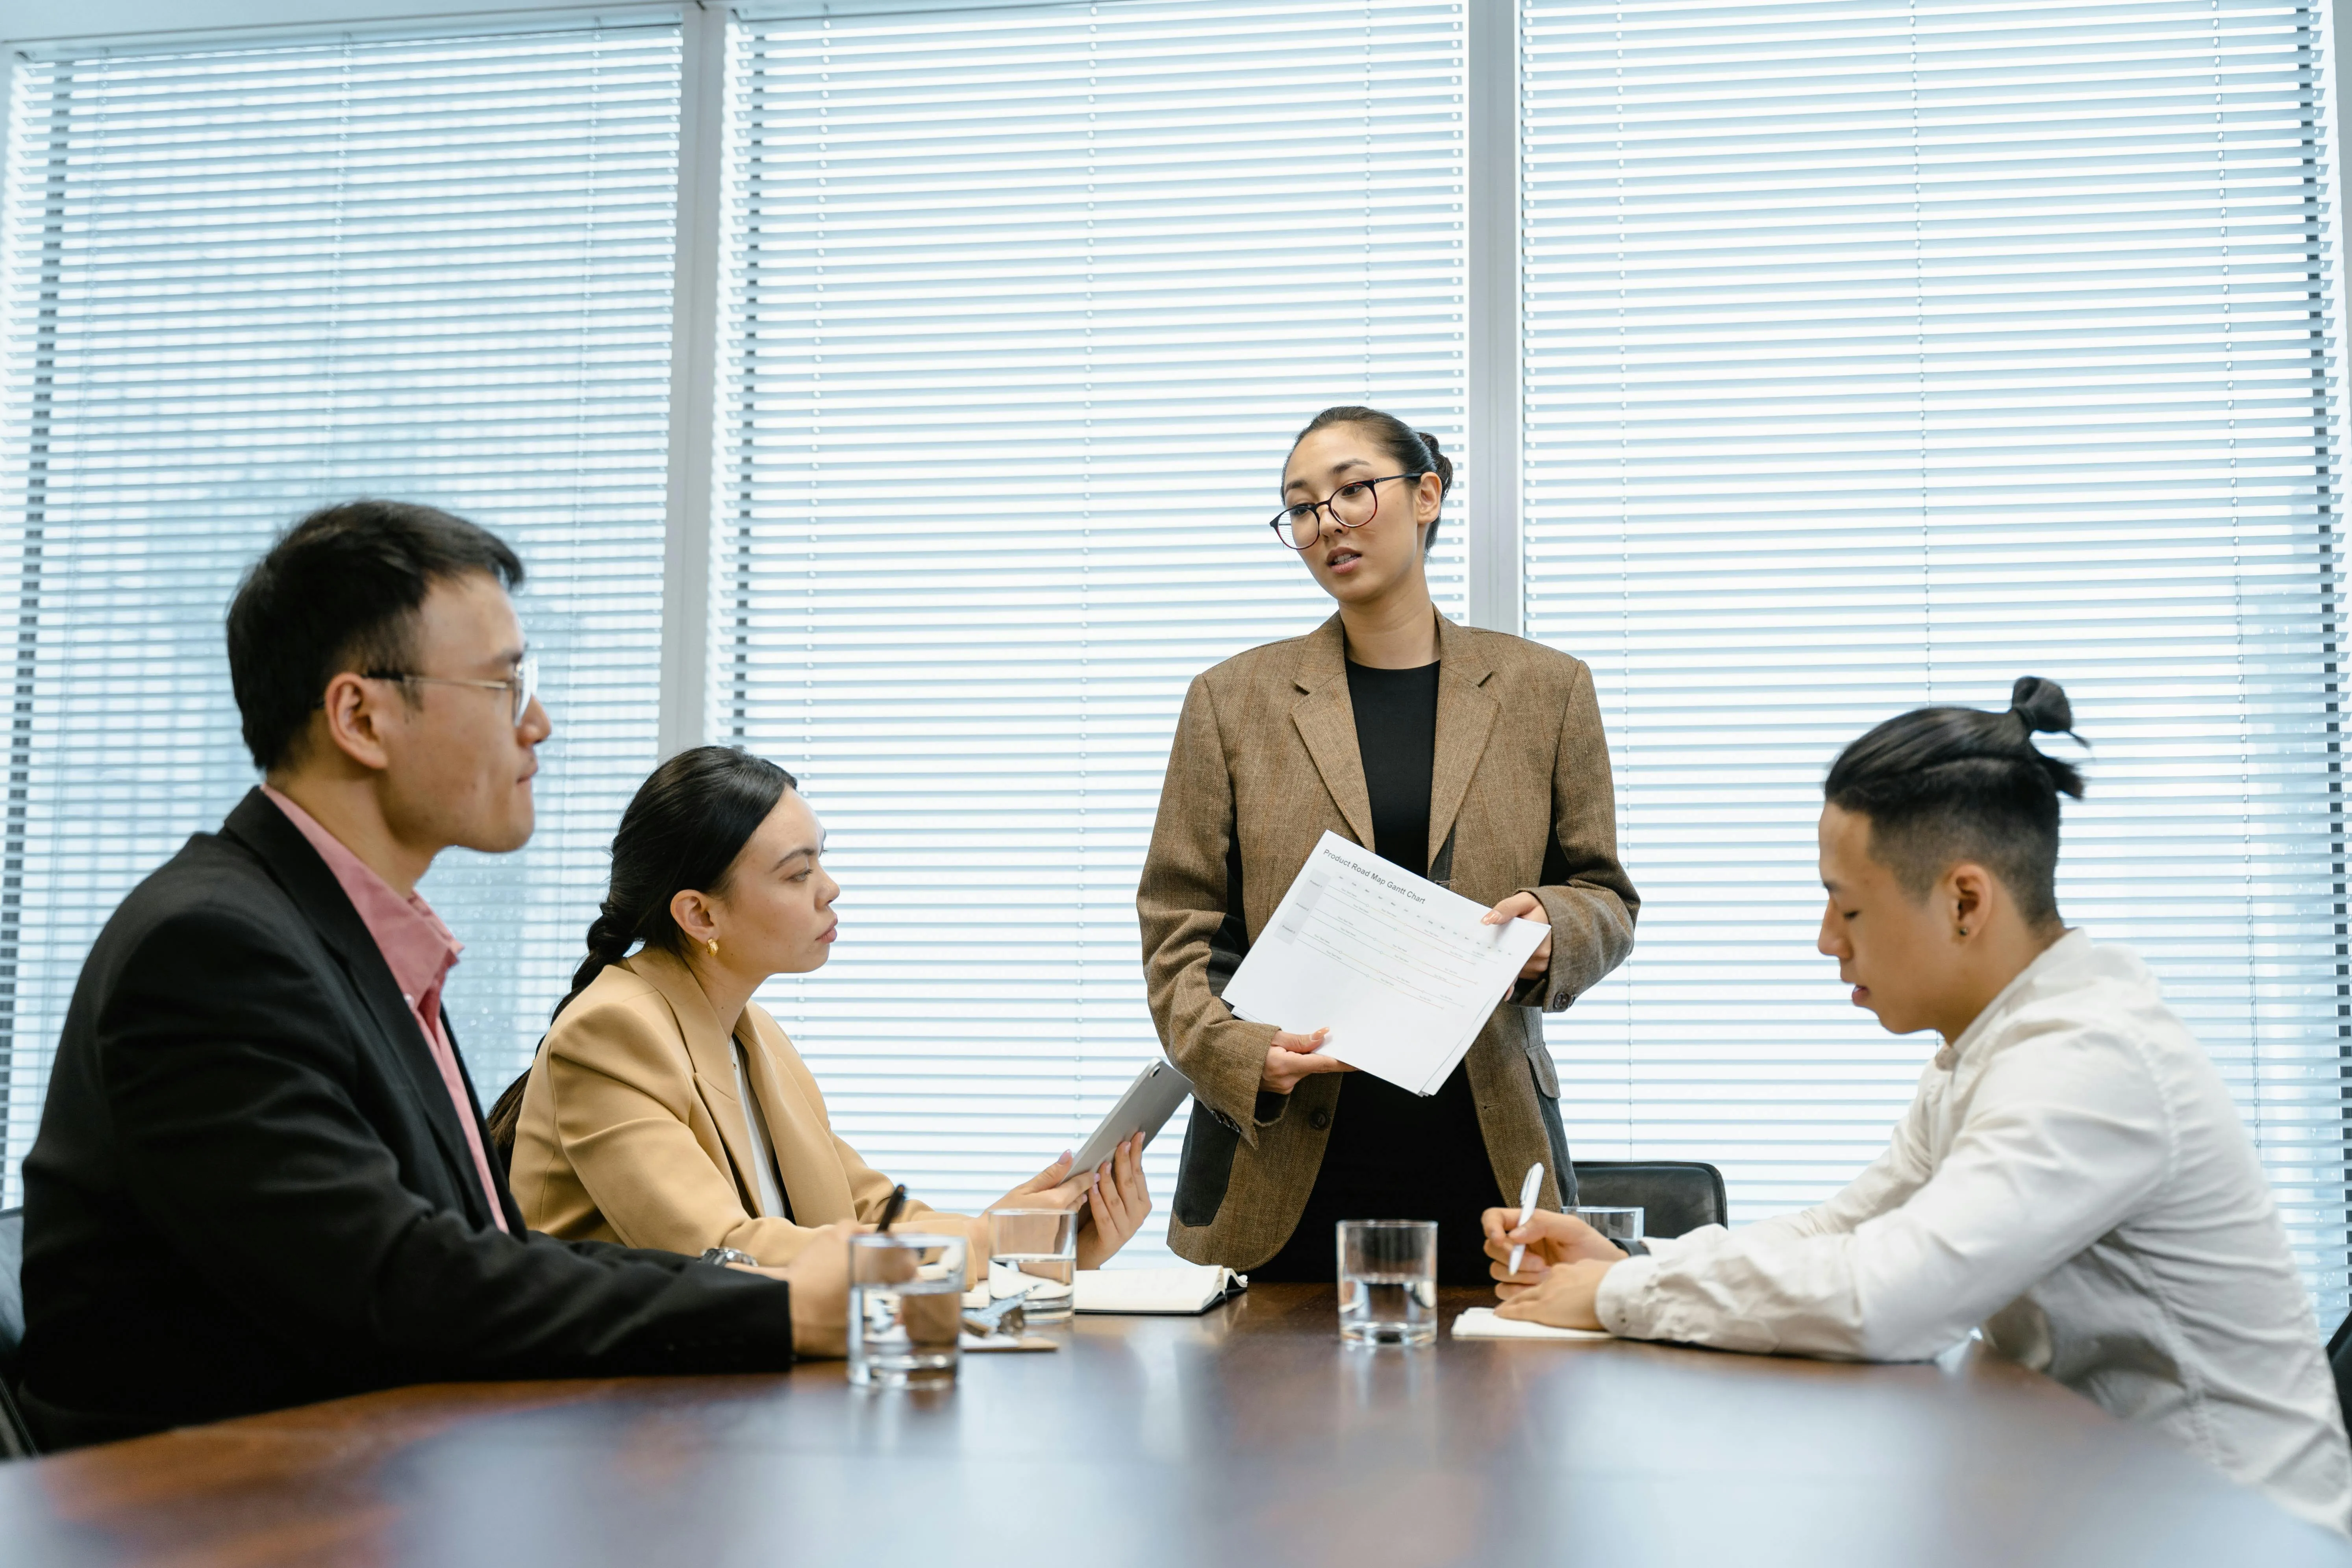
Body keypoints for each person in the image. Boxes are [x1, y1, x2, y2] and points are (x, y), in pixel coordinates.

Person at [17, 501, 853, 1450]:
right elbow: (401, 1284)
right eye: (505, 684)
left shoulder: (353, 943)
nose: (538, 723)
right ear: (361, 717)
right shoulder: (214, 949)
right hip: (227, 1505)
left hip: (374, 1473)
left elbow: (485, 1256)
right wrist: (780, 1308)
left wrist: (777, 1291)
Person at [1483, 677, 2352, 1533]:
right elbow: (1841, 1229)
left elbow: (1889, 1296)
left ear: (1965, 901)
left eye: (1848, 905)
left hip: (2234, 1531)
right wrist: (1629, 1256)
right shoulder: (1990, 1047)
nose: (1826, 940)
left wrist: (1619, 1292)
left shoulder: (2088, 1059)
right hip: (2102, 1499)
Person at [1138, 406, 1640, 1286]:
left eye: (1352, 491)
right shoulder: (1230, 699)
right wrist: (1237, 1053)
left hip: (1484, 1143)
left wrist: (1552, 927)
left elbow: (1604, 894)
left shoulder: (1547, 689)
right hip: (1282, 1153)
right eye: (1301, 507)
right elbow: (1179, 919)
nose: (1327, 522)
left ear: (1426, 495)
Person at [497, 745, 1153, 1267]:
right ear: (699, 914)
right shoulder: (613, 1030)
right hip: (613, 1391)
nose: (830, 888)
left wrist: (1030, 1237)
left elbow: (871, 1214)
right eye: (797, 872)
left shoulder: (755, 1034)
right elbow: (721, 1252)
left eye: (821, 861)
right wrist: (990, 1242)